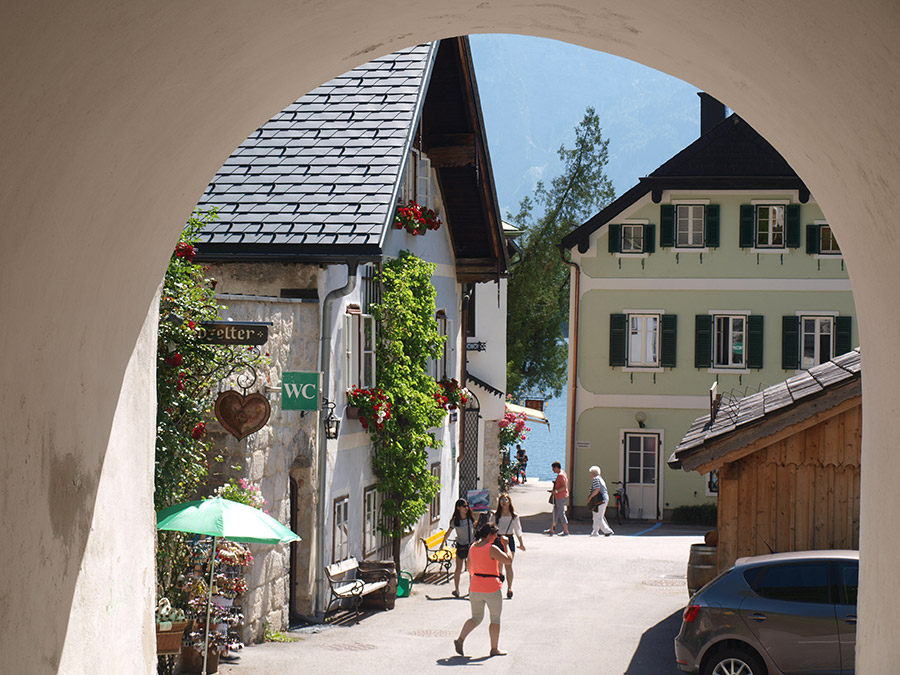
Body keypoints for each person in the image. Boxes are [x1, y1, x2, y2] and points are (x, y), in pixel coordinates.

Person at [453, 522, 513, 657]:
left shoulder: (473, 547)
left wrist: (476, 576)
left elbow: (470, 567)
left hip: (475, 586)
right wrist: (506, 545)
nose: (496, 537)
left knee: (476, 617)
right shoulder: (491, 548)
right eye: (495, 534)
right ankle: (494, 648)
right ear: (490, 535)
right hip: (491, 587)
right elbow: (508, 560)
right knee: (495, 619)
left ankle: (460, 639)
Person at [491, 492, 525, 598]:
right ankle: (498, 585)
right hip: (498, 539)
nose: (504, 502)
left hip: (509, 539)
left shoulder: (514, 516)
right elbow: (491, 529)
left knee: (508, 564)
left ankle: (509, 588)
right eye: (502, 500)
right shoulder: (496, 516)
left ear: (510, 502)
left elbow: (518, 530)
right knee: (498, 565)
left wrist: (521, 544)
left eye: (506, 499)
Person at [442, 498, 475, 597]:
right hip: (461, 545)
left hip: (470, 545)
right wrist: (442, 543)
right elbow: (448, 533)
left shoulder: (470, 518)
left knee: (470, 569)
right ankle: (456, 589)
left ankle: (471, 589)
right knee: (458, 568)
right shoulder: (455, 521)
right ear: (458, 508)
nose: (466, 508)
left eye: (467, 506)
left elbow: (475, 529)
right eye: (464, 506)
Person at [587, 465, 614, 537]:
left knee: (598, 517)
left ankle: (607, 531)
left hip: (600, 500)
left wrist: (590, 497)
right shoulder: (600, 479)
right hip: (603, 499)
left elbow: (597, 489)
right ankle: (595, 532)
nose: (590, 475)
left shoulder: (596, 479)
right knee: (596, 516)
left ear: (593, 473)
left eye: (591, 473)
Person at [544, 461, 570, 536]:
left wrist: (556, 491)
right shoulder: (562, 473)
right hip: (559, 496)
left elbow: (564, 487)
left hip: (560, 496)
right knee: (555, 512)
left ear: (556, 467)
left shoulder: (561, 475)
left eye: (553, 469)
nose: (553, 470)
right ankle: (551, 529)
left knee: (561, 513)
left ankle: (566, 531)